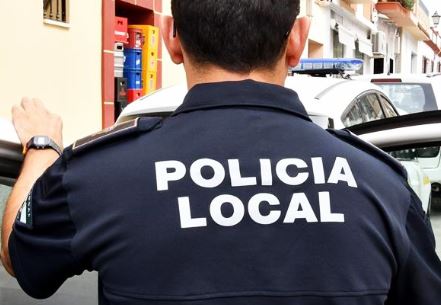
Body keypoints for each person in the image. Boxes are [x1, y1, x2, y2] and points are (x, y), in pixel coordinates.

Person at [1, 0, 441, 304]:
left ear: (171, 38)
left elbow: (20, 256)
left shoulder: (98, 175)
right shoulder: (380, 185)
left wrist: (41, 146)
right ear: (297, 41)